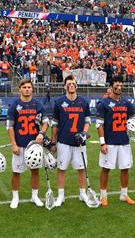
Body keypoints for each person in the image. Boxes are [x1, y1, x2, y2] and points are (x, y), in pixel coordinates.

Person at [50, 75, 92, 207]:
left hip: (79, 142)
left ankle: (82, 193)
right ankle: (61, 196)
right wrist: (53, 142)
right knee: (61, 168)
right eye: (69, 84)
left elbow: (87, 121)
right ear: (64, 86)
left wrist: (84, 133)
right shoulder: (58, 102)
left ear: (76, 86)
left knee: (81, 168)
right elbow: (54, 124)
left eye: (73, 83)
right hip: (63, 141)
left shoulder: (84, 102)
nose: (71, 85)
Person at [7, 79, 49, 209]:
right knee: (16, 172)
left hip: (34, 145)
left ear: (32, 89)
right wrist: (13, 144)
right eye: (24, 87)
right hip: (19, 145)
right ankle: (15, 197)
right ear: (20, 89)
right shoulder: (15, 105)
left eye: (29, 87)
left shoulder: (38, 104)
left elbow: (46, 122)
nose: (26, 89)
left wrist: (41, 133)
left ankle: (34, 196)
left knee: (35, 171)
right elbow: (10, 127)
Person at [97, 76, 135, 206]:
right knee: (106, 168)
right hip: (110, 142)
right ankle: (103, 196)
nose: (119, 88)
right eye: (116, 85)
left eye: (121, 85)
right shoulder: (104, 103)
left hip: (124, 141)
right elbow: (99, 125)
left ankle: (124, 194)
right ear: (111, 87)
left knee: (125, 168)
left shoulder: (126, 103)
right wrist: (102, 142)